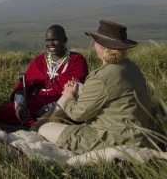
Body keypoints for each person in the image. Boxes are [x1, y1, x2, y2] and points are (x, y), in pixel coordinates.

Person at [38, 20, 152, 154]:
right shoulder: (132, 67)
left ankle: (44, 129)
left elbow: (78, 114)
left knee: (44, 129)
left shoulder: (100, 77)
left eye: (96, 41)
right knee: (79, 88)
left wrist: (69, 96)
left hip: (114, 139)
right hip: (141, 135)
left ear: (101, 46)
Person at [0, 25, 89, 127]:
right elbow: (24, 84)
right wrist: (19, 105)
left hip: (62, 105)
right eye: (47, 40)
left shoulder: (76, 60)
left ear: (64, 40)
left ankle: (41, 124)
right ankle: (41, 123)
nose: (51, 44)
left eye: (55, 39)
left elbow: (76, 89)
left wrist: (49, 108)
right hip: (36, 103)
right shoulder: (40, 60)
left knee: (72, 118)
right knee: (3, 112)